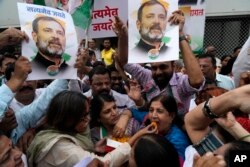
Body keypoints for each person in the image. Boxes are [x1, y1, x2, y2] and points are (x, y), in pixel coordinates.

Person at [27, 90, 157, 167]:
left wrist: (92, 149)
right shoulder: (58, 146)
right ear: (67, 119)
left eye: (87, 114)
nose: (87, 120)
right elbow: (104, 163)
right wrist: (137, 136)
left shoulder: (132, 123)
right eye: (82, 117)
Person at [113, 12, 204, 118]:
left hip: (180, 131)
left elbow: (197, 80)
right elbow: (124, 61)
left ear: (173, 66)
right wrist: (123, 35)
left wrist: (180, 34)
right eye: (154, 68)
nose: (158, 72)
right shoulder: (147, 76)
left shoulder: (181, 82)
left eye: (163, 67)